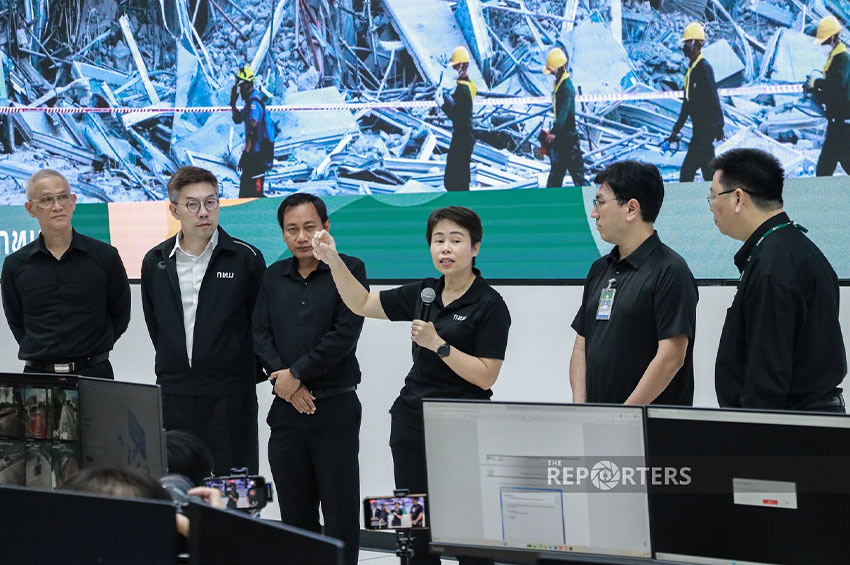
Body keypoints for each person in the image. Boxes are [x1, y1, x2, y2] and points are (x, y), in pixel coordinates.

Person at [313, 205, 510, 565]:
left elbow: (486, 375)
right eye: (438, 240)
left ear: (475, 248)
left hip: (462, 426)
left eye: (456, 240)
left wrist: (439, 345)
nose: (445, 248)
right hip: (411, 420)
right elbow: (361, 303)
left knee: (467, 527)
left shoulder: (490, 304)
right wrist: (333, 260)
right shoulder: (425, 293)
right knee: (414, 526)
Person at [253, 193, 365, 565]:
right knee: (294, 512)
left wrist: (297, 374)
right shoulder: (272, 276)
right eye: (292, 229)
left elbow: (344, 334)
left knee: (339, 511)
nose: (302, 237)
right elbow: (260, 334)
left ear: (326, 227)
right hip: (286, 410)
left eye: (310, 227)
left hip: (335, 407)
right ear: (283, 234)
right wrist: (285, 383)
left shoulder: (349, 269)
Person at [141, 166, 266, 475]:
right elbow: (156, 325)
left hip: (230, 395)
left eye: (211, 202)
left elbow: (261, 325)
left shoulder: (246, 258)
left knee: (235, 487)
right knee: (177, 483)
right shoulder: (155, 261)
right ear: (174, 210)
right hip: (174, 393)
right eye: (192, 204)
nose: (203, 212)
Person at [709, 148, 846, 411]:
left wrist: (750, 429)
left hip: (792, 426)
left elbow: (767, 378)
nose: (712, 206)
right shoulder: (791, 248)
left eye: (713, 196)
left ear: (738, 198)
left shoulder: (773, 267)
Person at [569, 161, 698, 405]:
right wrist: (581, 405)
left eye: (600, 202)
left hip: (650, 423)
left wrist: (626, 415)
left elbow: (671, 356)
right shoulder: (599, 269)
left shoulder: (671, 270)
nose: (594, 213)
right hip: (598, 419)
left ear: (631, 208)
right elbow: (581, 347)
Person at [1, 169, 131, 379]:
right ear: (30, 209)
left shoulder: (104, 256)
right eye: (46, 200)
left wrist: (91, 350)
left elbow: (120, 313)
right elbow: (17, 322)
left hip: (94, 374)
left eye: (63, 197)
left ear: (73, 202)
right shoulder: (15, 265)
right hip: (39, 377)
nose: (57, 206)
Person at [667, 22, 725, 183]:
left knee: (687, 173)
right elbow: (687, 104)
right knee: (708, 173)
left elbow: (713, 97)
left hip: (705, 130)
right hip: (699, 129)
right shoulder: (691, 70)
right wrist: (676, 129)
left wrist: (719, 126)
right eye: (685, 43)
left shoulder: (704, 68)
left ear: (697, 44)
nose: (685, 47)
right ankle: (718, 197)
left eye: (688, 42)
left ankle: (692, 198)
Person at [805, 15, 850, 176]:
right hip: (838, 123)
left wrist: (816, 83)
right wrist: (812, 89)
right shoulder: (834, 58)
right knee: (830, 165)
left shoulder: (842, 59)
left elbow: (836, 86)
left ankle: (821, 190)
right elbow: (832, 92)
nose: (822, 45)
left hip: (843, 124)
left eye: (823, 42)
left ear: (832, 39)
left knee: (827, 166)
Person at [542, 47, 586, 188]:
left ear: (558, 67)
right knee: (555, 177)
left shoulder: (566, 87)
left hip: (569, 139)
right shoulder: (559, 83)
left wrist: (554, 131)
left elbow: (564, 111)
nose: (550, 73)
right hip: (561, 139)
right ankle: (551, 200)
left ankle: (592, 200)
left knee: (579, 178)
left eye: (551, 70)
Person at [437, 46, 477, 191]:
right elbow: (461, 106)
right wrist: (448, 99)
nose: (453, 69)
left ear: (461, 66)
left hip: (462, 137)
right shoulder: (467, 86)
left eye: (455, 66)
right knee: (460, 176)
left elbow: (458, 116)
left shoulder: (463, 90)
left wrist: (442, 104)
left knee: (454, 179)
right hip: (464, 137)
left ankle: (461, 203)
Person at [230, 65, 271, 198]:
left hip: (257, 155)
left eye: (241, 87)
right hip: (253, 154)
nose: (240, 90)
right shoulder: (249, 103)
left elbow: (253, 128)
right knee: (246, 189)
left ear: (248, 85)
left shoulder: (254, 103)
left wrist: (246, 153)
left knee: (254, 192)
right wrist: (233, 104)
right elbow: (237, 119)